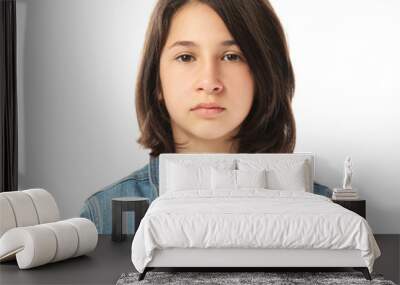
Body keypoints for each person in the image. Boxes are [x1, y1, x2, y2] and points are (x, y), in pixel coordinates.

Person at [80, 0, 331, 234]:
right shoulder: (102, 216)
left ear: (264, 75)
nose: (210, 83)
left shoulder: (326, 210)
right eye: (186, 57)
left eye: (232, 56)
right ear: (157, 82)